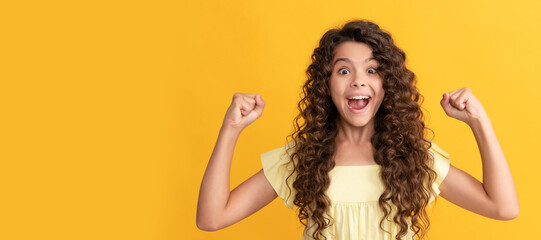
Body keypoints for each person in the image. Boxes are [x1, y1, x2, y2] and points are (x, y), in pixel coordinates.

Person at [196, 19, 519, 240]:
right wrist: (231, 129)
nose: (358, 80)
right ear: (327, 83)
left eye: (372, 69)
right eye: (344, 70)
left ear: (387, 83)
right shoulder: (304, 158)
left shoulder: (414, 159)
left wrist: (480, 122)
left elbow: (503, 207)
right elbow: (211, 219)